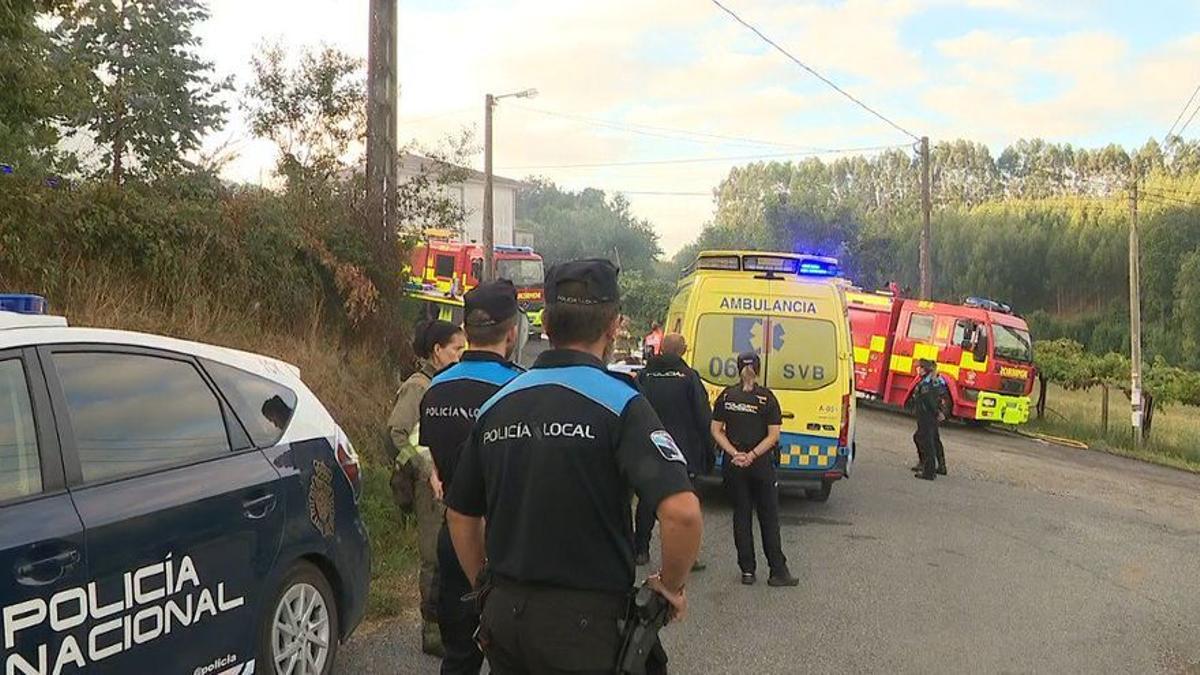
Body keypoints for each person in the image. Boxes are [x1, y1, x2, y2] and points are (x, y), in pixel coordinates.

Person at [445, 258, 703, 674]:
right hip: (586, 628)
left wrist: (485, 587)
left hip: (506, 619)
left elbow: (460, 514)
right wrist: (670, 587)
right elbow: (683, 514)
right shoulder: (622, 404)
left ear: (546, 324)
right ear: (614, 326)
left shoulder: (497, 405)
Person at [420, 281, 524, 675]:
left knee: (459, 655)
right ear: (511, 332)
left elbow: (437, 460)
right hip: (507, 541)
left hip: (453, 536)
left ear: (466, 330)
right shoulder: (520, 388)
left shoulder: (436, 387)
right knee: (512, 657)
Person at [389, 319, 466, 657]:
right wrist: (424, 469)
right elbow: (395, 435)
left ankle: (452, 622)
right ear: (437, 350)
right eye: (457, 349)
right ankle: (431, 631)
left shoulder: (446, 384)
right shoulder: (418, 387)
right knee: (433, 559)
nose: (461, 355)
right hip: (428, 486)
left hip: (449, 481)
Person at [711, 352, 799, 588]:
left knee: (741, 515)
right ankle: (777, 571)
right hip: (760, 465)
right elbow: (773, 436)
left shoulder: (727, 396)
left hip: (734, 465)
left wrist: (734, 453)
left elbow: (716, 430)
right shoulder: (766, 398)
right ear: (758, 370)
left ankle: (747, 571)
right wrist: (752, 455)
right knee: (768, 517)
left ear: (737, 368)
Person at [634, 333, 712, 570]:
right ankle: (686, 556)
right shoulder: (689, 377)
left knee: (647, 501)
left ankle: (641, 550)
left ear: (661, 349)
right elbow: (702, 416)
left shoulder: (644, 376)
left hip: (649, 449)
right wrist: (708, 450)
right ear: (683, 351)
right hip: (681, 451)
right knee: (681, 504)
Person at [910, 359, 948, 480]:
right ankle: (938, 466)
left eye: (920, 367)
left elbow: (929, 400)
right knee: (932, 440)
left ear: (925, 369)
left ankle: (928, 471)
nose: (918, 369)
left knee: (927, 442)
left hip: (927, 415)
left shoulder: (928, 383)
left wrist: (938, 412)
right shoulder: (934, 381)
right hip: (929, 415)